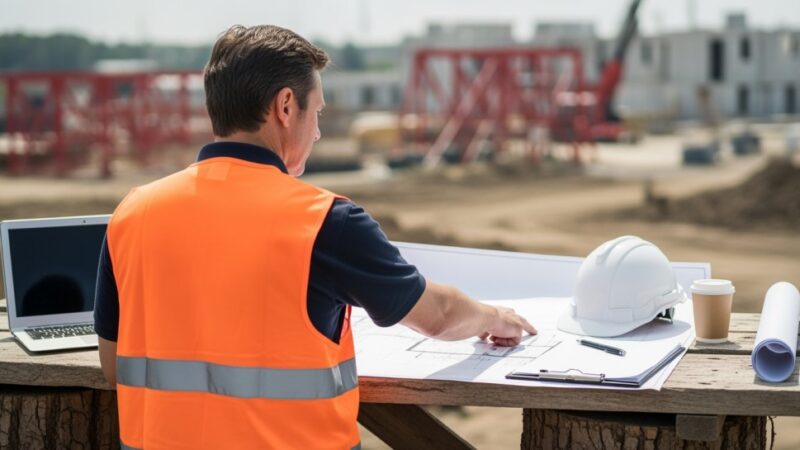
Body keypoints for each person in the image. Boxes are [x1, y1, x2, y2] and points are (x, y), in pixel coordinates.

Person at [94, 24, 536, 450]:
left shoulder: (133, 212)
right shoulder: (325, 221)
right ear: (286, 106)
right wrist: (494, 317)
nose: (319, 130)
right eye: (318, 111)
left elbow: (115, 366)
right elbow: (436, 315)